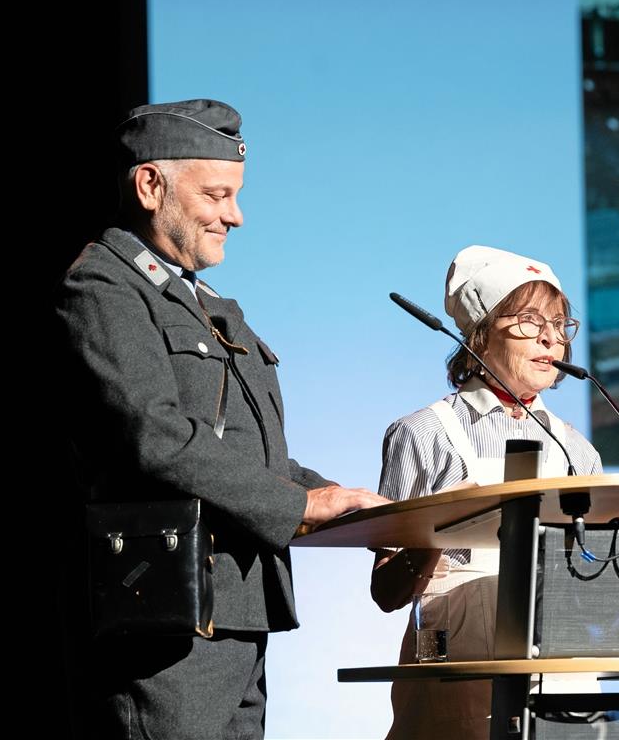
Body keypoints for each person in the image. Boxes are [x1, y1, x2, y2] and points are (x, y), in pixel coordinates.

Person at [54, 98, 389, 740]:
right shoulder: (103, 288)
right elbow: (156, 439)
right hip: (164, 617)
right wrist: (296, 506)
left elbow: (250, 457)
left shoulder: (206, 304)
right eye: (216, 195)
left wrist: (354, 508)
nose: (235, 215)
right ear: (151, 186)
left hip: (235, 610)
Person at [370, 245, 604, 740]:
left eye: (561, 324)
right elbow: (386, 591)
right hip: (444, 652)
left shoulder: (577, 453)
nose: (550, 338)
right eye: (528, 320)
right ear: (478, 333)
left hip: (555, 672)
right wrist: (440, 527)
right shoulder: (423, 434)